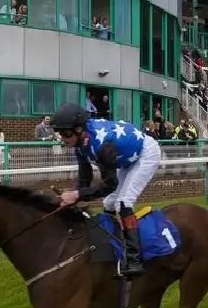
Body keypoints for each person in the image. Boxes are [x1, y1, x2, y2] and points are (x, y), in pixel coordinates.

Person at [49, 102, 162, 275]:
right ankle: (111, 246)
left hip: (146, 153)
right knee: (109, 203)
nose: (62, 138)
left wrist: (77, 194)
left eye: (65, 133)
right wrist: (73, 197)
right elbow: (84, 178)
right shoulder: (80, 144)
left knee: (124, 203)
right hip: (126, 159)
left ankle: (135, 260)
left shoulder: (100, 145)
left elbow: (110, 184)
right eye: (60, 133)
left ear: (79, 130)